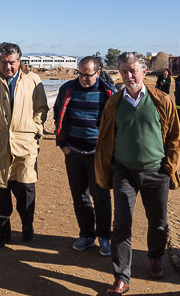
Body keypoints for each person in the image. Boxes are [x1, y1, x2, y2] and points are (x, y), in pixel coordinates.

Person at [95, 52, 180, 295]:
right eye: (124, 71)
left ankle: (156, 257)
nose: (129, 76)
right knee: (122, 223)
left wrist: (169, 167)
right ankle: (121, 276)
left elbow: (175, 136)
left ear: (144, 72)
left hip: (157, 172)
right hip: (124, 172)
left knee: (158, 222)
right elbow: (105, 137)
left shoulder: (161, 100)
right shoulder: (113, 103)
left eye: (133, 71)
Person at [0, 42, 48, 248]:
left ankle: (27, 225)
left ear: (19, 61)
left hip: (25, 143)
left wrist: (36, 128)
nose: (8, 66)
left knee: (26, 188)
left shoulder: (33, 80)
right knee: (0, 191)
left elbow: (41, 108)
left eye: (12, 62)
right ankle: (3, 232)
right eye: (3, 62)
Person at [53, 56, 116, 256]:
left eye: (87, 75)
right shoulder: (67, 89)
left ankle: (104, 237)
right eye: (80, 74)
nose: (83, 78)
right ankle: (87, 235)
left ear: (98, 73)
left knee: (101, 197)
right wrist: (63, 145)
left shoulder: (109, 93)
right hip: (74, 153)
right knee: (80, 196)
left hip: (98, 156)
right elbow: (58, 114)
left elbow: (117, 124)